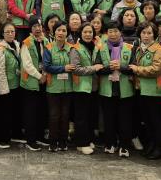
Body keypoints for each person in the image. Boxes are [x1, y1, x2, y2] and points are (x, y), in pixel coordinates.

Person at [96, 20, 135, 158]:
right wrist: (109, 68)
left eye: (116, 31)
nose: (113, 34)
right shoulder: (101, 48)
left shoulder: (129, 47)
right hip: (107, 89)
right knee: (109, 119)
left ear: (120, 32)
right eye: (110, 31)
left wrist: (121, 67)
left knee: (125, 120)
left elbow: (134, 67)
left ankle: (124, 146)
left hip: (125, 89)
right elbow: (97, 68)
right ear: (107, 33)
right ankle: (110, 144)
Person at [130, 21, 161, 159]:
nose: (146, 35)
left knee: (156, 121)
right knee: (147, 120)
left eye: (149, 33)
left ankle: (159, 148)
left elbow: (156, 69)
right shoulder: (139, 48)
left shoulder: (158, 49)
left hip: (154, 91)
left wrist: (137, 69)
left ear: (154, 35)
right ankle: (151, 145)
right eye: (143, 33)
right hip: (141, 89)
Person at [70, 23, 103, 155]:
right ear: (80, 33)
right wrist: (93, 68)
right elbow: (76, 69)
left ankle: (88, 140)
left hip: (93, 87)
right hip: (81, 88)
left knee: (90, 116)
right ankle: (81, 143)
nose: (88, 34)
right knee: (81, 117)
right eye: (85, 32)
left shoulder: (95, 47)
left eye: (90, 32)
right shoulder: (75, 48)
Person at [42, 21, 75, 152]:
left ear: (67, 33)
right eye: (58, 30)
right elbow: (47, 67)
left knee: (65, 116)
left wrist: (68, 68)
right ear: (54, 32)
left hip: (68, 88)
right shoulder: (48, 48)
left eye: (64, 30)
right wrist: (63, 68)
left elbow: (75, 65)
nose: (61, 33)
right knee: (54, 116)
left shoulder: (72, 48)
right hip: (53, 87)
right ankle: (53, 142)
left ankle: (63, 141)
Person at [20, 16, 50, 151]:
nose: (37, 29)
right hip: (31, 82)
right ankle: (30, 140)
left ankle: (40, 136)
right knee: (30, 113)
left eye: (39, 26)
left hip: (44, 81)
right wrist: (39, 76)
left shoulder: (46, 40)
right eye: (34, 26)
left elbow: (48, 59)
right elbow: (27, 64)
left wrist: (45, 74)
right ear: (30, 29)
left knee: (42, 110)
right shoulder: (26, 42)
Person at [0, 23, 23, 148]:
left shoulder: (17, 44)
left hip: (16, 85)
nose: (10, 34)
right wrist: (4, 90)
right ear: (2, 33)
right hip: (5, 87)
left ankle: (15, 134)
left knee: (15, 112)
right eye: (7, 32)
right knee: (3, 114)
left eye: (12, 31)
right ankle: (1, 138)